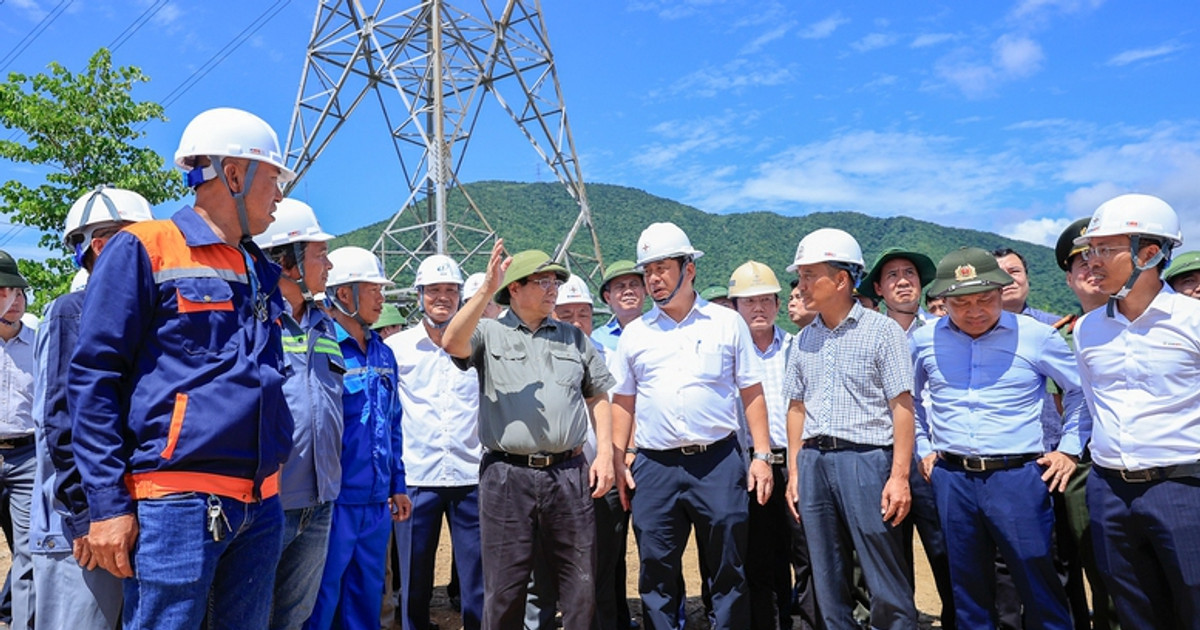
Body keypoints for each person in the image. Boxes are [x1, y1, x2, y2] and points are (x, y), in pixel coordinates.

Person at [69, 107, 296, 629]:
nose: (280, 193)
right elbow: (93, 378)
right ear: (233, 173)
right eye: (274, 177)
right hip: (177, 503)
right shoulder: (144, 247)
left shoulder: (258, 267)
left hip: (260, 504)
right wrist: (106, 505)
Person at [911, 247, 1087, 630]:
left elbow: (1079, 392)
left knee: (1038, 580)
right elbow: (909, 399)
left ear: (1001, 292)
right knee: (968, 588)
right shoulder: (924, 340)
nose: (974, 310)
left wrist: (1069, 451)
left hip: (1018, 478)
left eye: (984, 299)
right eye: (961, 302)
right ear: (943, 300)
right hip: (952, 478)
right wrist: (923, 448)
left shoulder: (1037, 338)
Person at [610, 222, 773, 629]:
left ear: (689, 268)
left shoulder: (725, 322)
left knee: (727, 570)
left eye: (662, 267)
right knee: (656, 570)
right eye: (648, 270)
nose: (653, 278)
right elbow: (623, 402)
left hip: (718, 462)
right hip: (654, 466)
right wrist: (620, 458)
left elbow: (751, 392)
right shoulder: (635, 334)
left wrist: (762, 456)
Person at [443, 244, 615, 629]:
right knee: (504, 588)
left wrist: (604, 453)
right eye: (543, 281)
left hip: (569, 473)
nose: (553, 289)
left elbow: (598, 395)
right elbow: (451, 342)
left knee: (579, 585)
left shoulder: (574, 338)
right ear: (514, 289)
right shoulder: (488, 332)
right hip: (507, 476)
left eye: (555, 280)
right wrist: (486, 289)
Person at [1072, 193, 1200, 629]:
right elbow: (1093, 404)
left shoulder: (1193, 320)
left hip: (1184, 489)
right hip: (1109, 492)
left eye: (1105, 249)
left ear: (1150, 252)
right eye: (1090, 250)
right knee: (1134, 612)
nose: (1092, 261)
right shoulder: (1087, 328)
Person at [782, 228, 917, 630]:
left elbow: (902, 407)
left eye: (810, 276)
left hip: (867, 461)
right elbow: (796, 408)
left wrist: (899, 476)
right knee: (825, 570)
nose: (802, 285)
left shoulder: (882, 332)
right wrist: (793, 471)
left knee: (882, 569)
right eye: (801, 276)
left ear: (841, 279)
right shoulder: (803, 339)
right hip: (813, 462)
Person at [30, 187, 151, 630]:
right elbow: (59, 422)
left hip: (133, 510)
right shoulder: (71, 312)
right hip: (87, 522)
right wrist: (85, 515)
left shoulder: (146, 314)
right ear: (102, 246)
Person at [307, 246, 411, 630]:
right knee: (322, 601)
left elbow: (392, 423)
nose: (382, 298)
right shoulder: (320, 347)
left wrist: (397, 483)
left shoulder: (384, 353)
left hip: (375, 503)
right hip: (331, 504)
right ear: (345, 294)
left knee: (367, 600)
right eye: (374, 289)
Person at [253, 198, 345, 630]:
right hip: (268, 502)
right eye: (319, 255)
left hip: (320, 500)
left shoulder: (325, 325)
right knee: (249, 614)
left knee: (295, 617)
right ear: (286, 261)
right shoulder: (254, 322)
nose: (328, 266)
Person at [387, 254, 484, 630]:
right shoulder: (400, 349)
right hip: (417, 478)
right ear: (419, 295)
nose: (442, 297)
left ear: (461, 295)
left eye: (450, 290)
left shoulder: (478, 344)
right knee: (413, 578)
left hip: (470, 476)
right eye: (434, 291)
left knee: (477, 577)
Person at [861, 247, 956, 629]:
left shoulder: (942, 333)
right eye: (893, 276)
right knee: (889, 559)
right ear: (879, 289)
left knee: (946, 552)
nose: (903, 281)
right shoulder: (864, 336)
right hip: (880, 459)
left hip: (931, 461)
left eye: (910, 274)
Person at [727, 260, 811, 630]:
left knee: (806, 554)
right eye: (748, 301)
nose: (757, 308)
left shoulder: (799, 348)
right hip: (748, 466)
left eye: (765, 300)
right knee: (758, 558)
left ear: (779, 305)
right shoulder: (725, 354)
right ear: (735, 308)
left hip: (796, 464)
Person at [1052, 218, 1119, 630]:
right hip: (1081, 463)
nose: (1091, 268)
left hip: (1157, 463)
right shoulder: (1062, 335)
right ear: (1069, 279)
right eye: (1080, 263)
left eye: (1099, 257)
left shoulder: (1151, 320)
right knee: (1096, 565)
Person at [0, 254, 34, 630]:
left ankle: (19, 623)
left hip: (28, 456)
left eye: (19, 291)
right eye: (5, 291)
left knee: (28, 549)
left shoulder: (40, 344)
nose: (15, 299)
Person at [992, 247, 1059, 324]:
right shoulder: (977, 331)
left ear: (1027, 278)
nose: (1008, 279)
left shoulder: (1055, 326)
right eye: (999, 274)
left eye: (1014, 271)